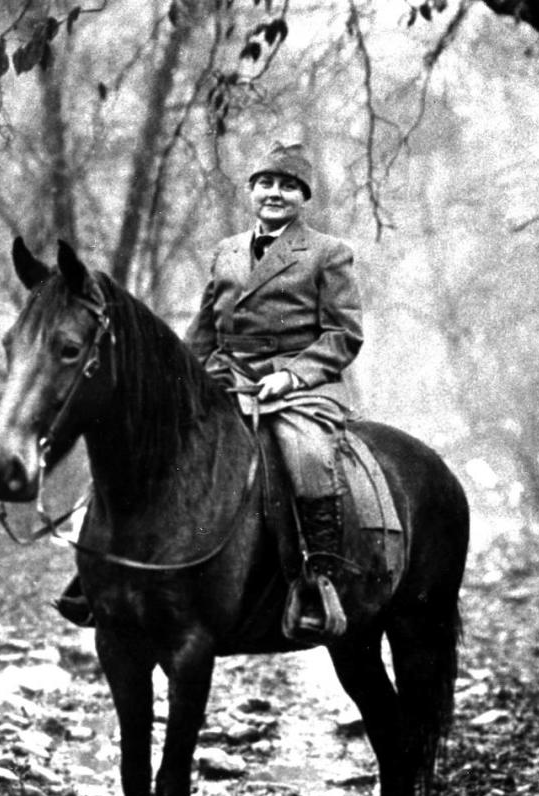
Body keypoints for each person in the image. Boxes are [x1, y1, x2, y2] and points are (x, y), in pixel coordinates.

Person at [57, 140, 364, 641]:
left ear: (303, 197)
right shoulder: (227, 251)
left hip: (295, 388)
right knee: (144, 447)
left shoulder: (328, 254)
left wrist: (291, 375)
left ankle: (317, 578)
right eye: (266, 182)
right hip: (223, 380)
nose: (275, 193)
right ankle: (98, 571)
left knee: (305, 457)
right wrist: (170, 384)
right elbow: (203, 328)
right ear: (251, 190)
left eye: (288, 186)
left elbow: (343, 335)